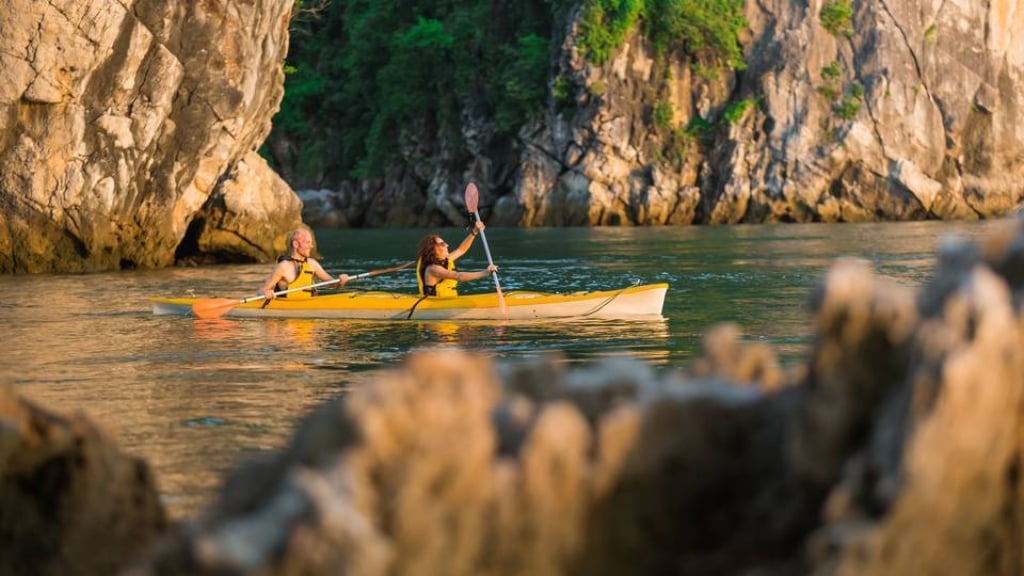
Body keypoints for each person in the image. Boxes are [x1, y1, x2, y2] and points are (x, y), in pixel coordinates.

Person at [260, 228, 349, 299]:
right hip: (288, 315)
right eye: (307, 242)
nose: (311, 246)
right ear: (295, 244)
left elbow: (333, 284)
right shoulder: (283, 266)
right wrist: (266, 293)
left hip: (311, 307)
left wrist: (341, 281)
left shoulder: (312, 264)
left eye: (311, 243)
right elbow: (261, 290)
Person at [416, 220, 498, 297]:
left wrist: (474, 232)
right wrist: (485, 273)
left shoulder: (444, 260)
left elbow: (461, 250)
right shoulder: (433, 269)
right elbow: (459, 276)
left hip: (446, 302)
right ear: (433, 249)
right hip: (434, 305)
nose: (447, 245)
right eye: (442, 244)